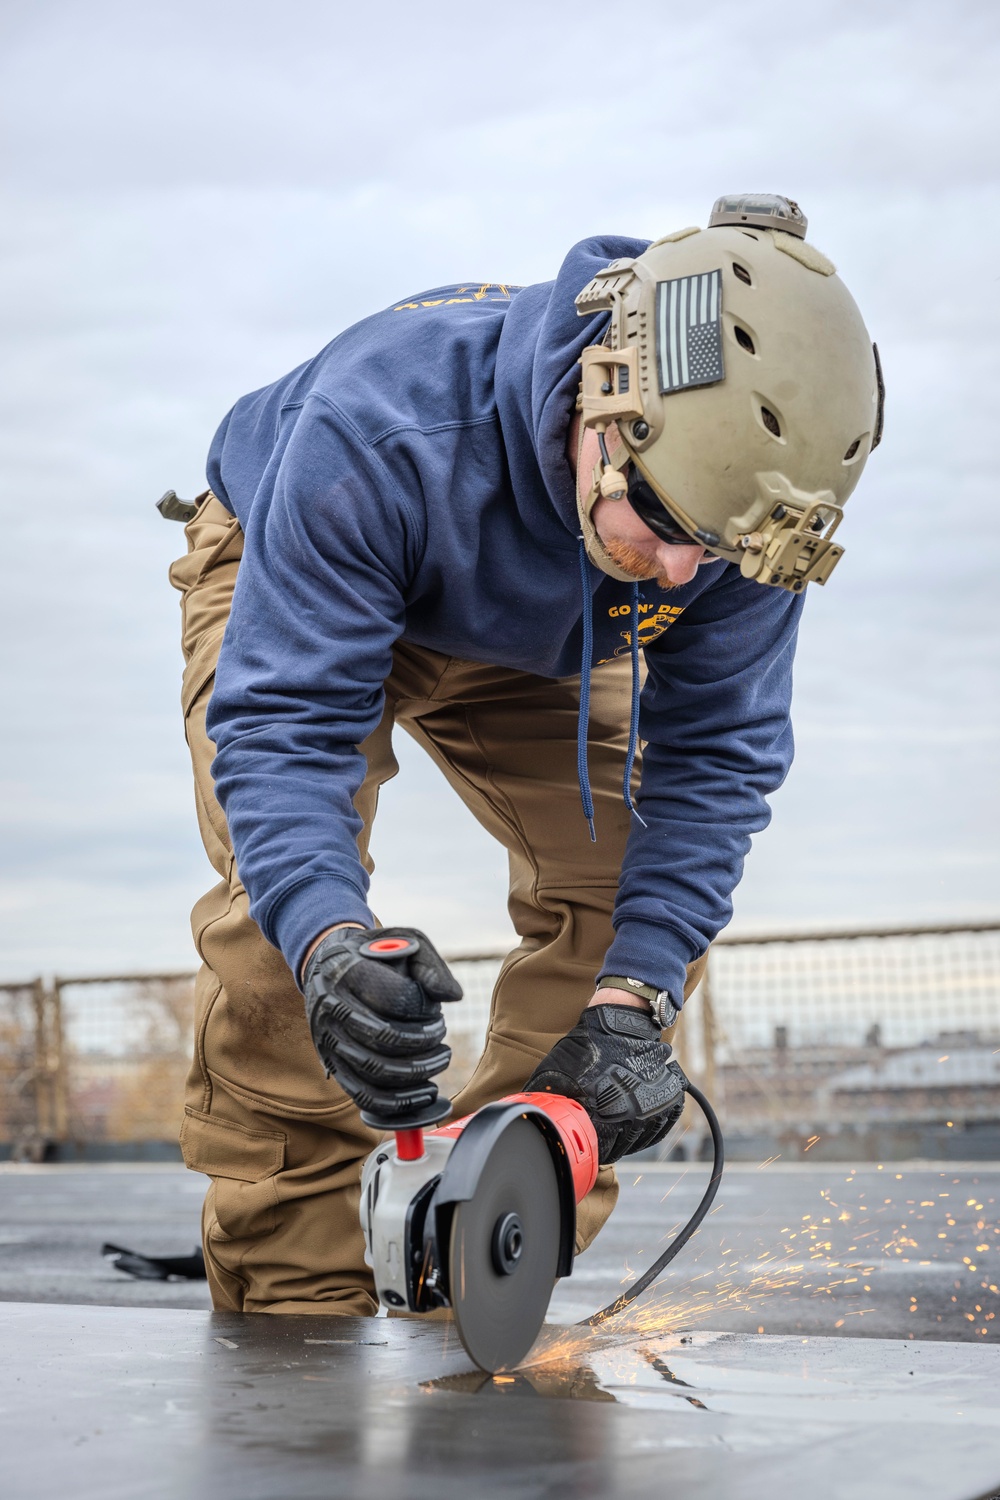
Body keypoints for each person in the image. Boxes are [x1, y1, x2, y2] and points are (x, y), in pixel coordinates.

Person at [165, 193, 882, 1314]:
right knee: (281, 934)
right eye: (670, 519)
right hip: (303, 563)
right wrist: (330, 949)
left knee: (620, 920)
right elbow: (286, 734)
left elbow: (713, 763)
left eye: (717, 547)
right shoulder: (385, 428)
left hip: (559, 617)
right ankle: (292, 1305)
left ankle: (479, 1244)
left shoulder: (737, 521)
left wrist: (633, 1003)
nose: (687, 573)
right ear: (606, 404)